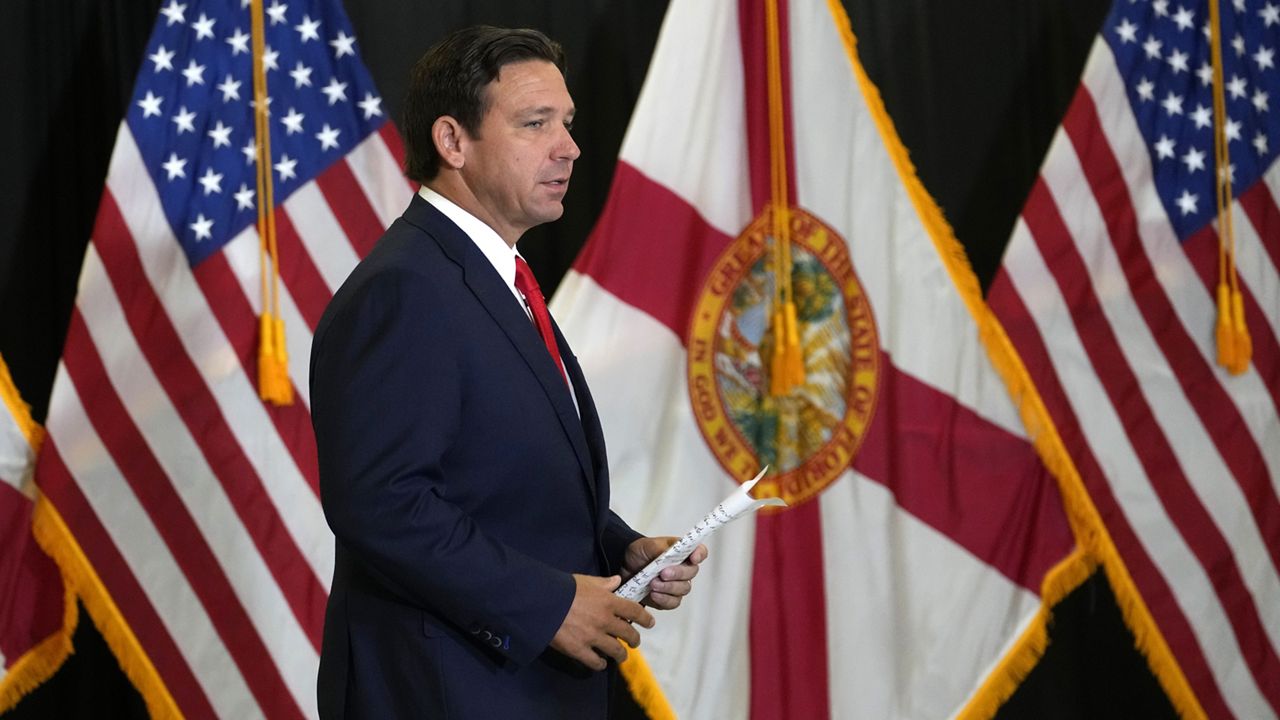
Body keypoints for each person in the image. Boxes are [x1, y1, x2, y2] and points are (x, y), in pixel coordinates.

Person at [309, 25, 707, 719]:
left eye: (568, 123)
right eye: (535, 124)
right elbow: (382, 503)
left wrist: (621, 547)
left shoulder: (497, 277)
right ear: (453, 142)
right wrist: (551, 604)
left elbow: (497, 475)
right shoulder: (405, 288)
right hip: (448, 692)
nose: (570, 147)